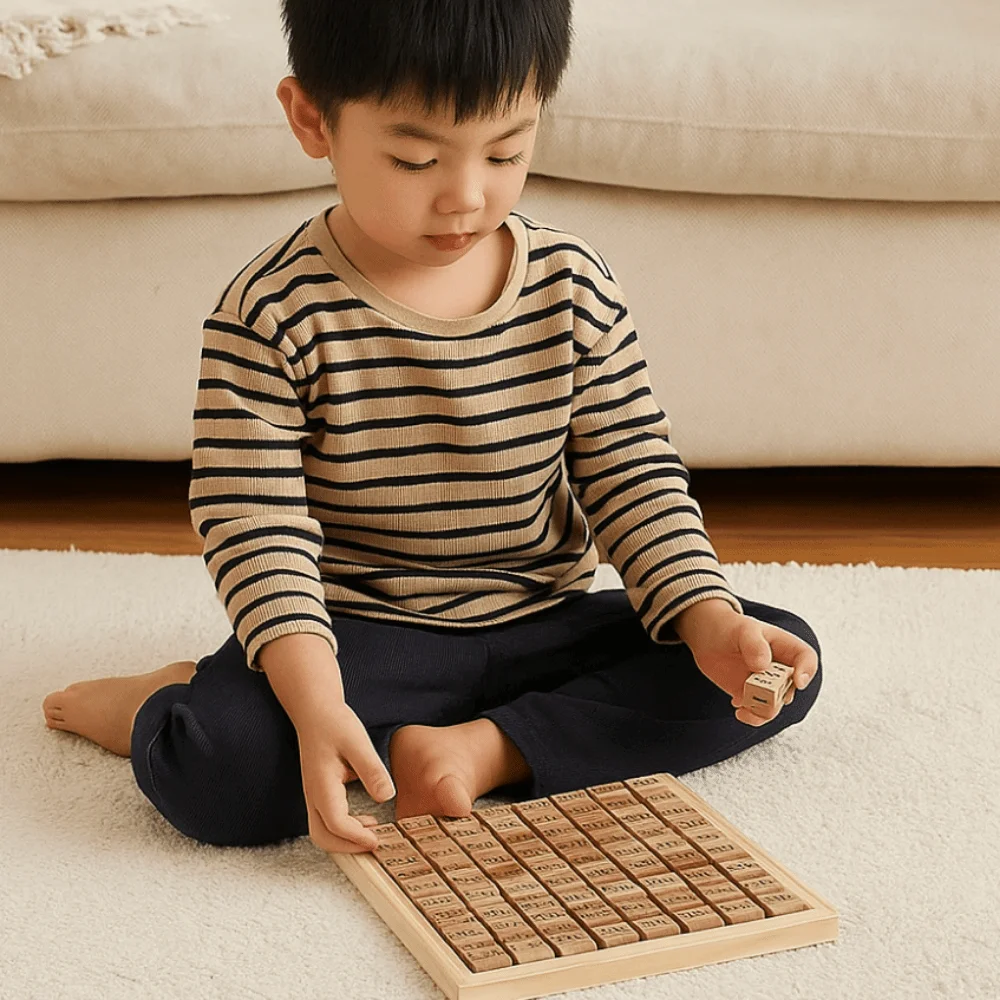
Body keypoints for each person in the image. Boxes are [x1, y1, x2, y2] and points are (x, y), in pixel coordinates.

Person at [41, 0, 822, 859]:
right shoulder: (269, 312)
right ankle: (163, 698)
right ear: (313, 120)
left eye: (507, 151)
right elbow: (253, 522)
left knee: (776, 662)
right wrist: (313, 700)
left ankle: (479, 748)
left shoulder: (572, 284)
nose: (467, 195)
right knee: (222, 768)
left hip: (543, 617)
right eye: (415, 158)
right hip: (360, 635)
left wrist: (709, 618)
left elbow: (634, 475)